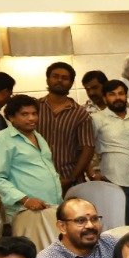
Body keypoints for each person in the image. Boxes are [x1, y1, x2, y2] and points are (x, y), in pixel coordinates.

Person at [0, 94, 62, 218]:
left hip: (52, 206)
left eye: (34, 113)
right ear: (11, 117)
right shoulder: (1, 140)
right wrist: (25, 200)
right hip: (26, 210)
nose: (32, 118)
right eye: (24, 114)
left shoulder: (37, 135)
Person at [89, 79, 129, 225]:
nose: (117, 97)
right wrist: (92, 173)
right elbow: (87, 147)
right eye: (112, 94)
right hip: (113, 180)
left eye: (121, 93)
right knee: (119, 226)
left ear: (126, 96)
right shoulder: (97, 119)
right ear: (105, 98)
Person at [35, 62, 96, 191]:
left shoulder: (80, 113)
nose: (59, 80)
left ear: (71, 83)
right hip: (37, 178)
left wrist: (71, 178)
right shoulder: (34, 108)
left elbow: (88, 148)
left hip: (69, 180)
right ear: (47, 79)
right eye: (55, 76)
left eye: (65, 78)